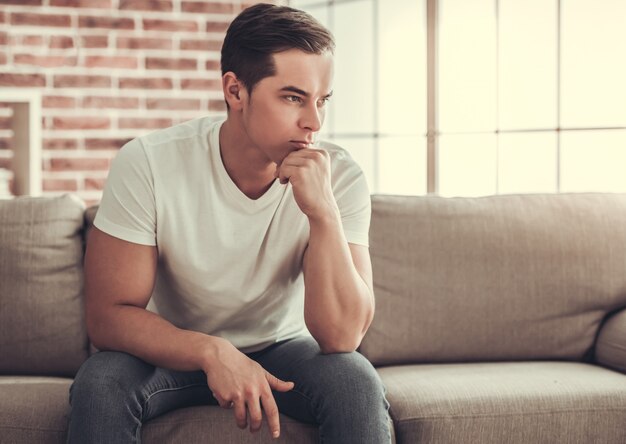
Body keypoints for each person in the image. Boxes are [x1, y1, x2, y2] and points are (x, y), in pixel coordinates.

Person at [67, 3, 391, 443]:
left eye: (322, 101)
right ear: (235, 92)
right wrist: (210, 350)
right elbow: (107, 318)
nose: (314, 122)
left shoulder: (339, 175)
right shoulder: (149, 162)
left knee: (355, 381)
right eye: (293, 97)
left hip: (281, 349)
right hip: (170, 351)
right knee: (101, 382)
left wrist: (324, 213)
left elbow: (341, 336)